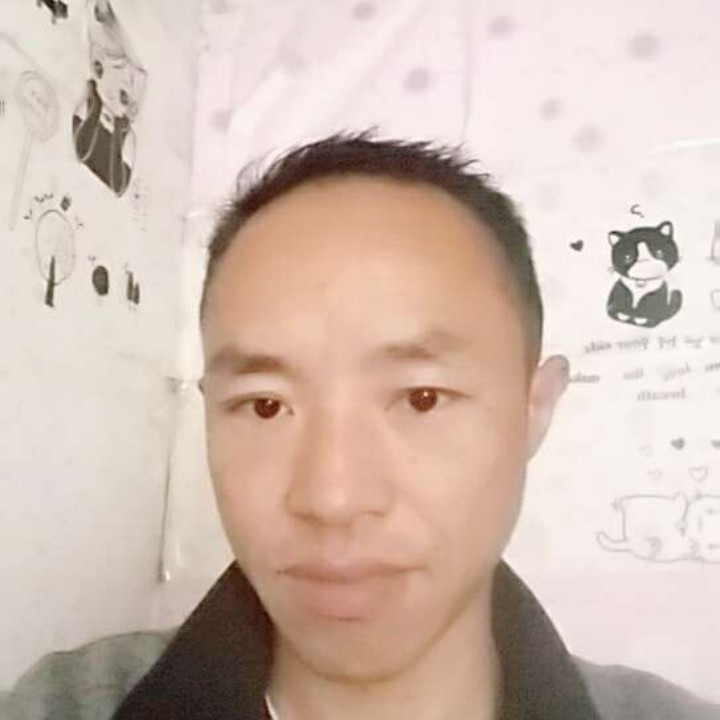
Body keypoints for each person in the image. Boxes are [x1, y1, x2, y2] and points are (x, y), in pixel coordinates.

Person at [3, 133, 718, 720]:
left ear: (534, 409)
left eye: (422, 398)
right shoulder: (63, 705)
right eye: (264, 405)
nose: (332, 498)